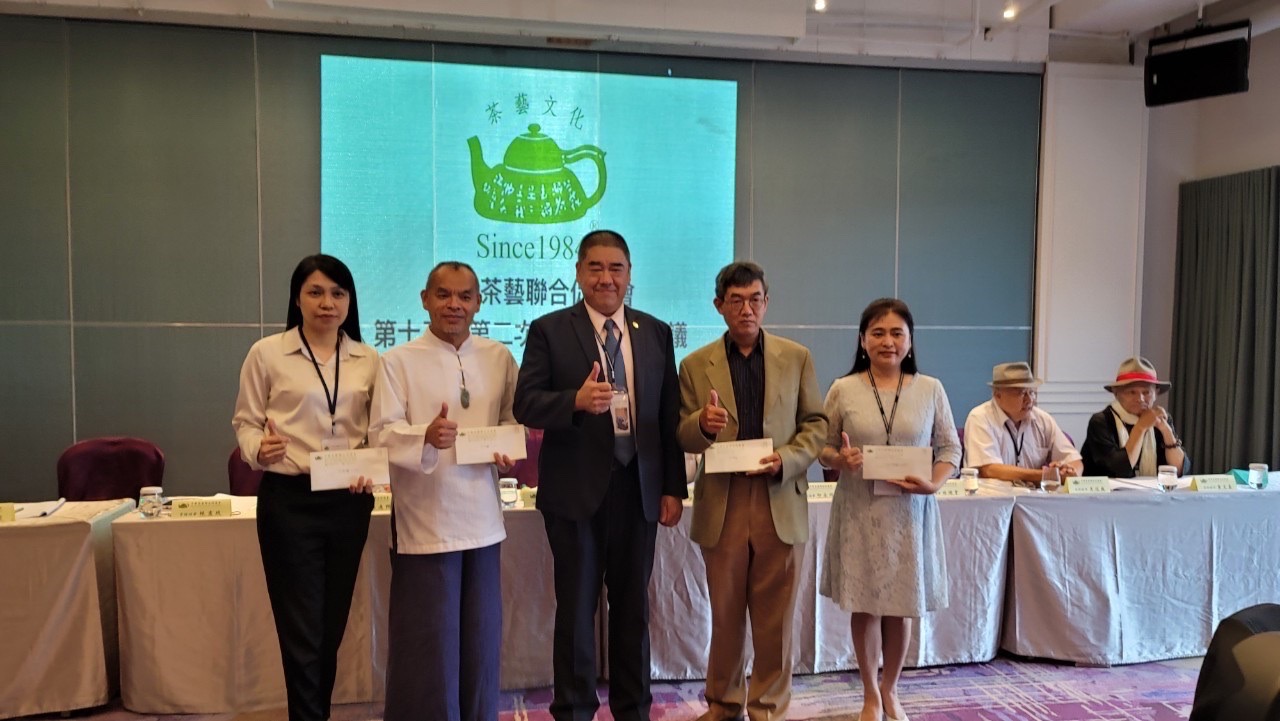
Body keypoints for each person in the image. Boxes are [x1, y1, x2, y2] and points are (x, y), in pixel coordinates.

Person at [513, 229, 686, 721]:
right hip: (575, 493)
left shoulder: (654, 332)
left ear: (629, 274)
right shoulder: (549, 330)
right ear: (578, 273)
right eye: (596, 267)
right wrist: (574, 400)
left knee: (633, 610)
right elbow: (525, 403)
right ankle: (574, 710)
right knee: (576, 610)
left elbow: (668, 414)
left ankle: (634, 709)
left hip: (639, 490)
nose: (606, 278)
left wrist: (672, 487)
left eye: (616, 268)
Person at [676, 261, 827, 721]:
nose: (747, 309)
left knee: (775, 620)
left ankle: (768, 708)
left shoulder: (796, 357)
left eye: (755, 299)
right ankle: (723, 704)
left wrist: (788, 458)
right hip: (723, 502)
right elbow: (681, 434)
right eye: (736, 300)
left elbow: (815, 425)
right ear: (718, 305)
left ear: (766, 303)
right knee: (725, 616)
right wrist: (703, 425)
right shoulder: (694, 365)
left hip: (777, 496)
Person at [370, 261, 519, 721]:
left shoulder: (499, 356)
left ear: (478, 303)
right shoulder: (397, 361)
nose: (454, 305)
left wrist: (508, 451)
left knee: (480, 637)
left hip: (484, 517)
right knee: (429, 642)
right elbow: (380, 434)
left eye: (464, 296)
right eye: (443, 294)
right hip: (425, 519)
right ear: (425, 299)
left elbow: (512, 420)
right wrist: (426, 436)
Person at [232, 254, 377, 721]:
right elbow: (245, 422)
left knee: (329, 627)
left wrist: (374, 467)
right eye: (315, 292)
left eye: (337, 293)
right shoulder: (267, 353)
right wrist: (258, 449)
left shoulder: (368, 359)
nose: (326, 303)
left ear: (349, 301)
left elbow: (378, 430)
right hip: (290, 501)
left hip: (349, 502)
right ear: (297, 299)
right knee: (301, 630)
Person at [818, 298, 961, 721]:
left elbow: (950, 449)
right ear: (862, 340)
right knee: (864, 604)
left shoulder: (930, 389)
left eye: (897, 333)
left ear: (910, 341)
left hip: (909, 513)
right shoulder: (843, 389)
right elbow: (821, 447)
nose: (888, 341)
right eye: (877, 333)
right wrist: (840, 460)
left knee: (900, 605)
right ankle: (869, 694)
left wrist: (934, 482)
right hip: (860, 511)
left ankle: (891, 689)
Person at [963, 361, 1082, 485]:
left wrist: (1070, 473)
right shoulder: (980, 418)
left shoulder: (1042, 419)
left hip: (1036, 495)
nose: (1029, 400)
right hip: (994, 495)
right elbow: (989, 470)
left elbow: (1074, 460)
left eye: (1031, 392)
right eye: (1021, 393)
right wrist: (1046, 475)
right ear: (998, 394)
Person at [1081, 356, 1189, 478]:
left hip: (1153, 489)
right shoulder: (1101, 421)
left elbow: (1179, 470)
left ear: (1156, 393)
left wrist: (1166, 431)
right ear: (1116, 394)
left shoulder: (1161, 419)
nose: (1140, 399)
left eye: (1146, 392)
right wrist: (1141, 427)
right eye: (1132, 392)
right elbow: (1119, 469)